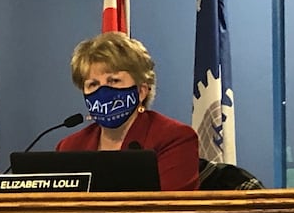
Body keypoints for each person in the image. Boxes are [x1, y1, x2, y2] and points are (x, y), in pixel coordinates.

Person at [55, 32, 200, 191]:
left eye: (114, 81)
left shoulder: (173, 138)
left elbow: (172, 203)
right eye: (93, 84)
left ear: (141, 91)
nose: (103, 92)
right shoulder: (70, 147)